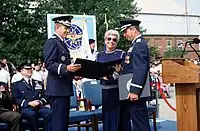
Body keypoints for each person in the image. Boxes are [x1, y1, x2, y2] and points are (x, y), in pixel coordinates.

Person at [43, 15, 81, 131]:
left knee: (63, 122)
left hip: (63, 89)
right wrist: (66, 68)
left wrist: (74, 74)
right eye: (66, 28)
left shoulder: (62, 43)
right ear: (58, 27)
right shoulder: (52, 42)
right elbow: (49, 63)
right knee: (59, 123)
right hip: (57, 90)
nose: (68, 31)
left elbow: (66, 67)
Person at [119, 19, 151, 131]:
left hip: (137, 91)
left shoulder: (139, 45)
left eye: (126, 31)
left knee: (140, 122)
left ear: (133, 29)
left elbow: (140, 68)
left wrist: (134, 91)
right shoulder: (135, 44)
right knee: (138, 121)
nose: (124, 35)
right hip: (134, 88)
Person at [96, 29, 125, 131]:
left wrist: (117, 73)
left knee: (117, 119)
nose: (111, 41)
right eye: (109, 39)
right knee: (107, 118)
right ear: (105, 40)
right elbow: (96, 72)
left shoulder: (121, 54)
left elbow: (124, 72)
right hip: (105, 91)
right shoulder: (99, 55)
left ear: (117, 42)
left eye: (114, 40)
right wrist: (101, 75)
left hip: (117, 91)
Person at [12, 63, 52, 131]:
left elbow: (46, 96)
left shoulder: (38, 83)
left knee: (50, 113)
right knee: (31, 114)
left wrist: (40, 102)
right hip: (26, 108)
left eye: (30, 69)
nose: (29, 70)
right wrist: (29, 103)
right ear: (21, 71)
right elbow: (16, 100)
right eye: (27, 69)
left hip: (39, 107)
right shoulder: (16, 85)